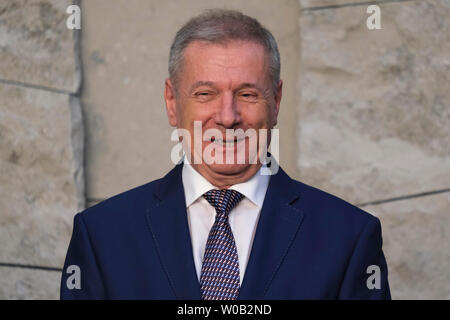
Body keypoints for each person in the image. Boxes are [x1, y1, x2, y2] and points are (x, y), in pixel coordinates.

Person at [60, 9, 390, 300]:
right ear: (172, 102)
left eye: (247, 94)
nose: (228, 117)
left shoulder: (348, 238)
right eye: (205, 93)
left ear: (275, 102)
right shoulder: (103, 236)